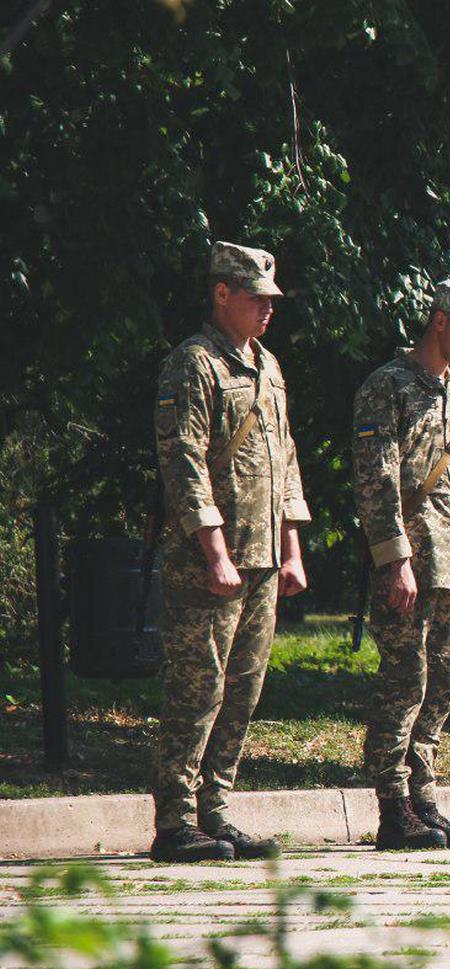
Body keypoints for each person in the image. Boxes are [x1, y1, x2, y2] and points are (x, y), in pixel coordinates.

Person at [150, 241, 309, 863]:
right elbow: (183, 463)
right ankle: (176, 821)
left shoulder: (268, 366)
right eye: (256, 297)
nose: (268, 308)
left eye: (272, 299)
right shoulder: (193, 364)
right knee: (199, 690)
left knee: (243, 691)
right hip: (208, 563)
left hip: (263, 557)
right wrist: (214, 551)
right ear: (222, 294)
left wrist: (291, 547)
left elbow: (286, 461)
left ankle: (215, 812)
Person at [354, 277, 450, 850]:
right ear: (440, 320)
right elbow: (376, 479)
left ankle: (424, 799)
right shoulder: (387, 386)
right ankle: (393, 807)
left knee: (439, 687)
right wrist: (395, 559)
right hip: (413, 564)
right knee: (404, 683)